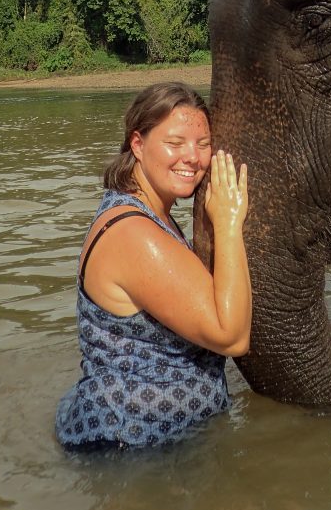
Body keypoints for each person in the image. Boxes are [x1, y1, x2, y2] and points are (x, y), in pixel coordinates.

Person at [55, 82, 251, 450]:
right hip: (125, 448)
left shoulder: (148, 214)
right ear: (138, 144)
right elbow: (232, 336)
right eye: (175, 144)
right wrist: (227, 223)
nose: (192, 157)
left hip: (154, 441)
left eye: (203, 144)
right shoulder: (133, 233)